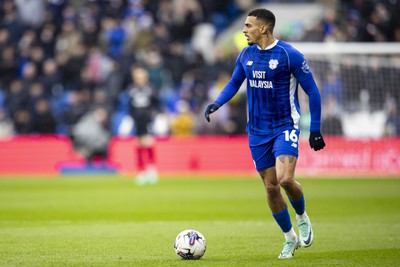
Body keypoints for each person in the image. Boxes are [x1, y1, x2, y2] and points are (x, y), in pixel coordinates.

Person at [204, 8, 326, 259]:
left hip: (285, 126)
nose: (244, 29)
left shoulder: (289, 54)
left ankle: (302, 217)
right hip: (257, 131)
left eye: (248, 25)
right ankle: (289, 238)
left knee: (285, 180)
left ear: (264, 28)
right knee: (271, 188)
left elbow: (312, 91)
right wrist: (217, 103)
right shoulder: (246, 54)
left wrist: (314, 128)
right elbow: (234, 83)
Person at [127, 65, 160, 185]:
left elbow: (157, 104)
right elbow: (130, 106)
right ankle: (141, 171)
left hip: (148, 119)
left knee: (148, 141)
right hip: (137, 119)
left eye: (141, 77)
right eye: (137, 77)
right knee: (138, 143)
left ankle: (151, 169)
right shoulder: (132, 90)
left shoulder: (151, 89)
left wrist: (155, 116)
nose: (139, 79)